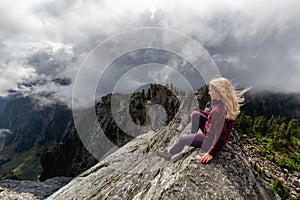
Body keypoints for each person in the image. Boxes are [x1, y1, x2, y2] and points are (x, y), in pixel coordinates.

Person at [156, 77, 248, 163]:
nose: (209, 93)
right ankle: (193, 136)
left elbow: (221, 136)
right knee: (196, 114)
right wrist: (200, 113)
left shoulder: (218, 111)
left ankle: (169, 154)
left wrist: (211, 153)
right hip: (211, 132)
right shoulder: (225, 105)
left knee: (182, 139)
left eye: (211, 90)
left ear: (218, 93)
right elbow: (214, 119)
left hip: (209, 140)